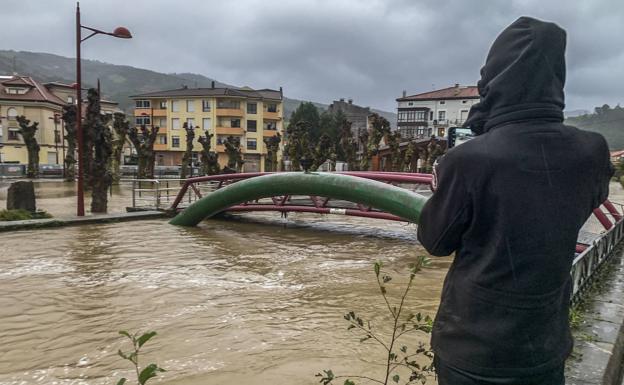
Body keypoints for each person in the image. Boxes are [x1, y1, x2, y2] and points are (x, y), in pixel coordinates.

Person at [417, 16, 613, 385]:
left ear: (494, 77)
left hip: (472, 348)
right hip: (544, 343)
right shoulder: (592, 150)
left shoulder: (470, 159)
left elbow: (435, 241)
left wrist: (444, 178)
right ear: (558, 76)